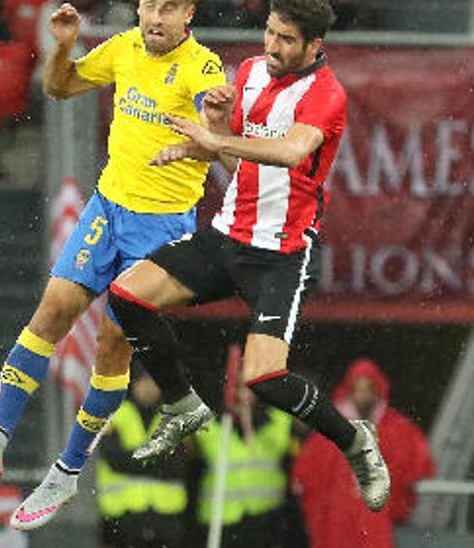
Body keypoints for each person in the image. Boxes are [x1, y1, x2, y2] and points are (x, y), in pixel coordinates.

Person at [97, 0, 390, 522]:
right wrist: (206, 139)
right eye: (269, 32)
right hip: (226, 237)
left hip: (281, 255)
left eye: (285, 40)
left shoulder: (326, 94)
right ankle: (183, 404)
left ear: (314, 46)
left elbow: (289, 153)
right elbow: (239, 163)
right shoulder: (251, 72)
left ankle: (354, 442)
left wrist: (213, 137)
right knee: (126, 296)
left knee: (263, 379)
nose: (271, 47)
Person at [0, 0, 226, 532]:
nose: (155, 17)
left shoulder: (204, 67)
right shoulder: (124, 47)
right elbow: (59, 89)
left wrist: (211, 126)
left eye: (168, 7)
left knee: (110, 342)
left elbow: (216, 143)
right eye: (149, 5)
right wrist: (61, 48)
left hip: (162, 228)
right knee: (53, 308)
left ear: (188, 13)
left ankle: (67, 470)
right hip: (108, 208)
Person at [188, 365, 298, 548]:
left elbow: (276, 447)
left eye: (248, 386)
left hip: (266, 517)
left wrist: (251, 421)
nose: (243, 393)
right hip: (223, 519)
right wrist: (227, 417)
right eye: (237, 386)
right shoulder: (213, 423)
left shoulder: (277, 419)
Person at [332, 358, 435, 524]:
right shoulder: (331, 430)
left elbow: (419, 464)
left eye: (369, 389)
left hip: (384, 522)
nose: (363, 395)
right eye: (358, 389)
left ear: (377, 391)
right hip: (342, 523)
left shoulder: (399, 430)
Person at [94, 369, 187, 548]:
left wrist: (134, 458)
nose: (147, 388)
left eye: (153, 382)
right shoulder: (115, 415)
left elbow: (178, 464)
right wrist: (158, 457)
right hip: (122, 518)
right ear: (132, 384)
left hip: (164, 519)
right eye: (142, 381)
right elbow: (115, 460)